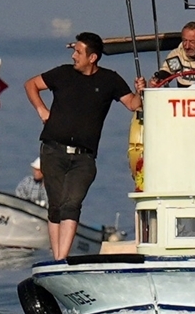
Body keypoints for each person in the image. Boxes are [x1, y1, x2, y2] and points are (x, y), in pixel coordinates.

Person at [24, 32, 145, 260]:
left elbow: (133, 104)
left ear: (93, 57)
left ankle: (61, 258)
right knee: (56, 206)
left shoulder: (110, 80)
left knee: (72, 204)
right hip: (53, 150)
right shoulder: (62, 73)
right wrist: (41, 110)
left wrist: (141, 91)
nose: (73, 56)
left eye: (78, 52)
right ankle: (58, 259)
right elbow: (31, 84)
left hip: (84, 158)